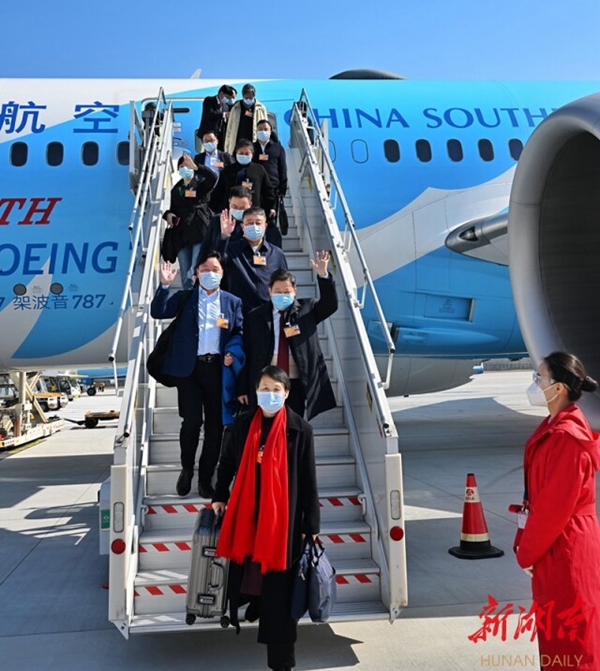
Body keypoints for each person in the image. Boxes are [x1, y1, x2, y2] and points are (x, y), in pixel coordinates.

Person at [213, 365, 320, 671]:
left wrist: (311, 525)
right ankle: (253, 603)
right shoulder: (242, 424)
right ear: (256, 392)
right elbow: (227, 462)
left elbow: (309, 480)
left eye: (276, 389)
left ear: (286, 394)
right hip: (247, 518)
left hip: (283, 525)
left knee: (281, 597)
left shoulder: (300, 429)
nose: (269, 394)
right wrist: (220, 495)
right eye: (264, 388)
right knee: (249, 575)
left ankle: (282, 662)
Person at [516, 352, 600, 669]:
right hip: (557, 544)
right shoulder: (556, 426)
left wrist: (527, 552)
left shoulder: (566, 438)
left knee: (571, 637)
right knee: (558, 633)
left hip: (566, 547)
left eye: (540, 378)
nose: (535, 384)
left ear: (559, 388)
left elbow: (553, 508)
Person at [150, 252, 244, 499]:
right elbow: (158, 312)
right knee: (191, 422)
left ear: (222, 273)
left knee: (215, 427)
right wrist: (164, 286)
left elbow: (238, 332)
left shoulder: (232, 302)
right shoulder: (185, 297)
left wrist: (232, 352)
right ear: (197, 273)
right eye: (205, 269)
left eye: (215, 269)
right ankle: (186, 469)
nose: (210, 273)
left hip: (217, 370)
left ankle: (205, 478)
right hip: (189, 370)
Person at [238, 256, 338, 419]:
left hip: (295, 382)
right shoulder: (256, 316)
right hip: (267, 384)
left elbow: (330, 305)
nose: (282, 295)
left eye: (286, 292)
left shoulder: (306, 309)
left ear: (294, 291)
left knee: (292, 425)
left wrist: (323, 275)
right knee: (267, 426)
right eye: (278, 292)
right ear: (269, 291)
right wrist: (243, 387)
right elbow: (247, 353)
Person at [215, 206, 287, 313]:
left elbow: (285, 282)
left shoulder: (276, 253)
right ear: (242, 227)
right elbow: (216, 261)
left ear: (265, 226)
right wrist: (224, 236)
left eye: (258, 223)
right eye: (249, 223)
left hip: (267, 313)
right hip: (239, 312)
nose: (254, 226)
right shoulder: (231, 250)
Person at [162, 153, 217, 289]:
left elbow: (213, 177)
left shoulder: (201, 184)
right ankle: (187, 297)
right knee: (184, 271)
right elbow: (173, 209)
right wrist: (168, 215)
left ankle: (198, 294)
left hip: (199, 231)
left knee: (195, 268)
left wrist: (197, 167)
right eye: (181, 166)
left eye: (187, 165)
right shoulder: (176, 189)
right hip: (181, 234)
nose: (184, 168)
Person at [209, 139, 276, 217]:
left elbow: (268, 190)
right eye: (241, 153)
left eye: (247, 153)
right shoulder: (228, 170)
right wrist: (212, 208)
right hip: (231, 212)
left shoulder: (259, 169)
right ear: (236, 153)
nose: (244, 155)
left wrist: (272, 207)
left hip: (253, 213)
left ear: (252, 154)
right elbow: (219, 191)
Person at [199, 186, 252, 260]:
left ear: (250, 205)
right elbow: (205, 247)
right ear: (229, 202)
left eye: (242, 208)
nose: (238, 210)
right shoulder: (218, 220)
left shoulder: (254, 223)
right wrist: (223, 236)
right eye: (234, 207)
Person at [224, 83, 269, 154]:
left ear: (254, 95)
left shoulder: (261, 108)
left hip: (254, 144)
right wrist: (227, 149)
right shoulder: (235, 108)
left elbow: (267, 128)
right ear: (243, 96)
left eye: (250, 98)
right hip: (238, 144)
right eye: (246, 98)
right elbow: (229, 130)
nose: (248, 100)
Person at [253, 119, 287, 199]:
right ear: (256, 131)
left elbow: (282, 170)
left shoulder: (278, 148)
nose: (263, 131)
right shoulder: (251, 148)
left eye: (265, 129)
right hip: (255, 188)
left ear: (270, 131)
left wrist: (282, 190)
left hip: (272, 188)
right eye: (260, 129)